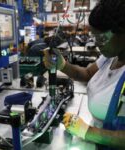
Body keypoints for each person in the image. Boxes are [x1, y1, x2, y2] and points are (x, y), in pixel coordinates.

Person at [43, 0, 125, 149]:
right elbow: (87, 74)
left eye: (102, 38)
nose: (97, 44)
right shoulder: (110, 56)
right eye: (95, 37)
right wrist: (62, 65)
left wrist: (87, 131)